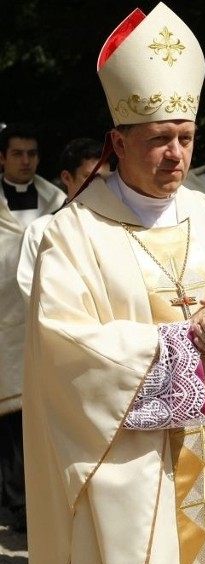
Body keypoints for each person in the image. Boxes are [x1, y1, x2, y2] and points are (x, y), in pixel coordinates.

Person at [22, 4, 205, 564]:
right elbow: (63, 345)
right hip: (136, 469)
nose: (176, 154)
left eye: (187, 138)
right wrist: (179, 344)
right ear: (117, 144)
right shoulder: (72, 233)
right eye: (159, 139)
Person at [0, 121, 65, 532]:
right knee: (8, 415)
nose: (26, 161)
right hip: (3, 319)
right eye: (18, 154)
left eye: (32, 154)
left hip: (44, 314)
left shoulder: (56, 202)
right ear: (2, 158)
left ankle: (31, 500)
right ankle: (13, 499)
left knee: (38, 411)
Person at [18, 137, 111, 303]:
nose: (100, 187)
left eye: (105, 179)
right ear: (67, 178)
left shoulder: (120, 226)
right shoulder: (40, 230)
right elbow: (33, 295)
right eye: (90, 178)